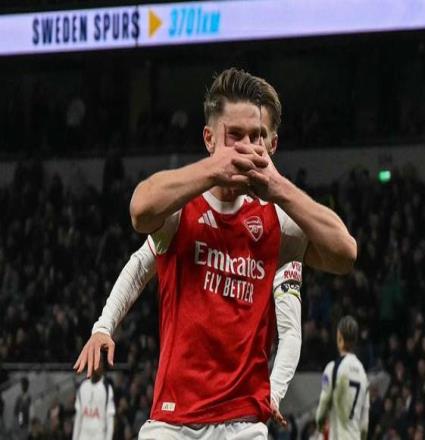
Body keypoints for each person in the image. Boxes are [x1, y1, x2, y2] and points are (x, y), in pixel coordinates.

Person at [85, 68, 355, 439]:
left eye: (256, 136)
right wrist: (103, 326)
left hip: (243, 425)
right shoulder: (182, 208)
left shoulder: (275, 221)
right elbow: (140, 211)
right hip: (172, 422)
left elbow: (345, 254)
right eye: (235, 136)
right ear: (209, 139)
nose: (247, 147)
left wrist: (279, 187)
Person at [316, 316, 369, 440]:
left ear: (339, 337)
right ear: (355, 340)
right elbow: (364, 425)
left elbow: (323, 405)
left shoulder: (333, 368)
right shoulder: (363, 374)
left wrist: (319, 425)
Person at [72, 362, 115, 440]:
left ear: (102, 367)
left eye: (99, 362)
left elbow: (110, 420)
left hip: (99, 435)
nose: (96, 366)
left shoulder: (107, 389)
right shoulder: (82, 386)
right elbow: (78, 417)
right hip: (83, 435)